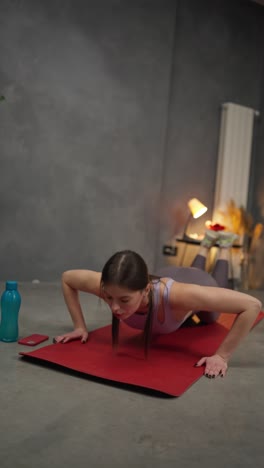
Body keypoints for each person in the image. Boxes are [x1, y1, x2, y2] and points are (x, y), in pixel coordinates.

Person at [55, 230, 262, 379]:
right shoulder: (111, 287)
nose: (115, 307)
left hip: (195, 283)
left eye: (124, 300)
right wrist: (79, 327)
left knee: (212, 306)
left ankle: (223, 248)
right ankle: (205, 245)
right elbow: (67, 278)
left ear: (145, 290)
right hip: (170, 275)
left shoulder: (178, 297)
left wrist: (222, 356)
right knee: (189, 277)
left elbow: (252, 305)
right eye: (109, 298)